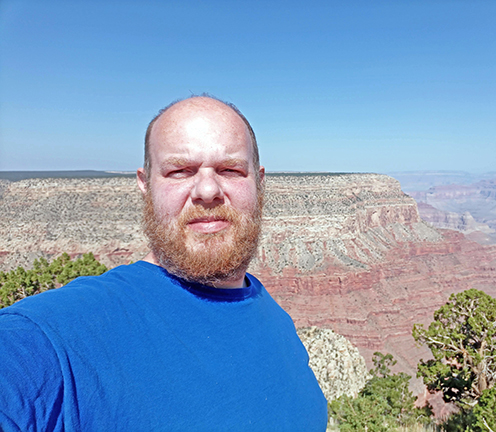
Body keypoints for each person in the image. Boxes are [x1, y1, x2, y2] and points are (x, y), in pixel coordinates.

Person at [0, 96, 328, 431]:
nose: (207, 190)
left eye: (230, 169)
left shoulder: (275, 317)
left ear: (259, 183)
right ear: (145, 184)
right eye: (180, 171)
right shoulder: (53, 336)